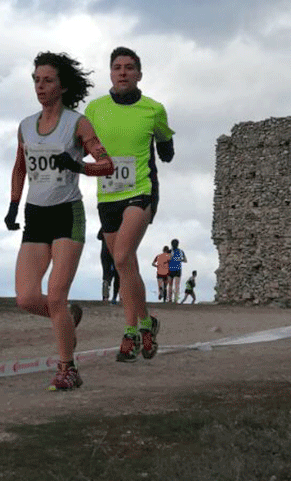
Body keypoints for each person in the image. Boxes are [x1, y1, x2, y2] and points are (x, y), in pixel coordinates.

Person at [5, 51, 115, 391]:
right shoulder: (25, 125)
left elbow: (107, 164)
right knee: (26, 298)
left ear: (62, 86)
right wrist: (12, 205)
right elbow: (20, 167)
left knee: (54, 295)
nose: (40, 86)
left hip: (68, 214)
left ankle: (68, 368)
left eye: (47, 80)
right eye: (36, 80)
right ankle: (67, 317)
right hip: (35, 215)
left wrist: (78, 166)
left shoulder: (77, 123)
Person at [85, 46, 175, 363]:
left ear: (139, 74)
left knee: (122, 255)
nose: (123, 72)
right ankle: (148, 323)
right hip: (108, 194)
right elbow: (82, 144)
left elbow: (165, 142)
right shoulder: (95, 109)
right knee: (126, 265)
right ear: (110, 73)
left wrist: (166, 148)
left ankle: (131, 332)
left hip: (141, 189)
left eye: (129, 67)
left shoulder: (153, 109)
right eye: (117, 67)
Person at [98, 228, 120, 304]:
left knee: (106, 273)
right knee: (117, 275)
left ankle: (105, 297)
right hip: (116, 252)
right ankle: (114, 297)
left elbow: (99, 237)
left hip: (104, 252)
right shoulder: (121, 227)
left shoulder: (105, 225)